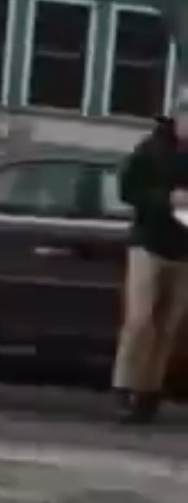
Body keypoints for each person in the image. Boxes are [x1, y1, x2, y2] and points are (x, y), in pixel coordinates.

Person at [113, 113, 188, 424]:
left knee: (168, 326)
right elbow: (127, 190)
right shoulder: (151, 149)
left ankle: (149, 391)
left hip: (184, 251)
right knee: (140, 320)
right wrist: (166, 200)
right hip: (149, 243)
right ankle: (125, 386)